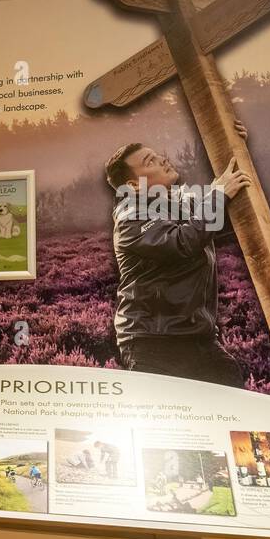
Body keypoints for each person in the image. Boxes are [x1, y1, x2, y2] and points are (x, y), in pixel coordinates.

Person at [104, 122, 253, 387]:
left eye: (157, 154)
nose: (162, 159)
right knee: (164, 426)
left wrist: (235, 144)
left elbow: (228, 202)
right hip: (153, 345)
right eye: (150, 161)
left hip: (198, 338)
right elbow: (182, 242)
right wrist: (217, 197)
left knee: (230, 392)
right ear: (133, 185)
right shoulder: (131, 218)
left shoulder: (183, 201)